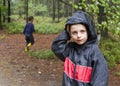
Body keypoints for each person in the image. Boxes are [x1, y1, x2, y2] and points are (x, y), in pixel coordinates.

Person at [51, 11, 108, 86]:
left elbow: (100, 82)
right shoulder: (70, 49)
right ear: (69, 34)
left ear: (88, 31)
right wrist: (66, 31)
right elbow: (56, 46)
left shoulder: (95, 53)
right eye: (74, 32)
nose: (79, 35)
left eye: (82, 31)